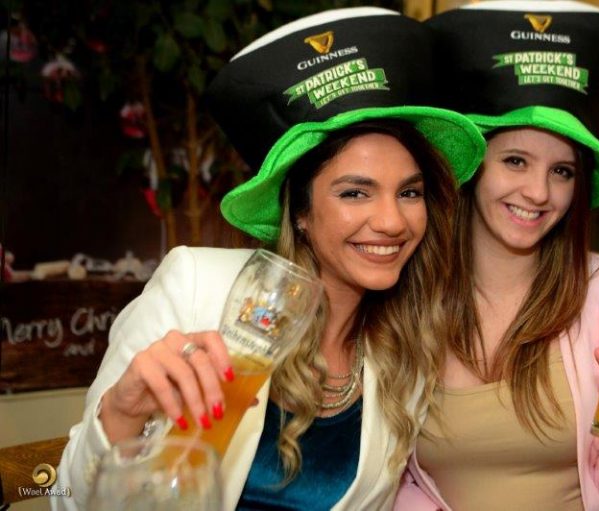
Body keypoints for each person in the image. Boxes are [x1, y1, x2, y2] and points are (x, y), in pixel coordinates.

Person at [53, 8, 486, 511]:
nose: (392, 221)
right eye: (355, 193)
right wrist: (120, 416)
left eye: (409, 193)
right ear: (299, 212)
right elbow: (66, 500)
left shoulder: (404, 351)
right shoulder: (196, 287)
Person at [394, 2, 599, 510]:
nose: (539, 192)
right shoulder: (409, 295)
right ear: (472, 168)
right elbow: (390, 477)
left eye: (562, 171)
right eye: (515, 161)